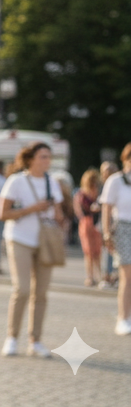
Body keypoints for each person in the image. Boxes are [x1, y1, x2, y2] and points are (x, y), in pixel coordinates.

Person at [0, 142, 65, 357]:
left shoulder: (52, 182)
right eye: (43, 156)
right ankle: (11, 337)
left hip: (45, 241)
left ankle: (35, 340)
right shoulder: (16, 181)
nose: (47, 160)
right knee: (22, 290)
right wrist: (32, 209)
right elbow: (3, 213)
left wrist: (58, 215)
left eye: (49, 157)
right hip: (19, 239)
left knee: (41, 293)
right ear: (30, 159)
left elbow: (59, 215)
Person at [100, 144, 131, 335]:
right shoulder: (116, 181)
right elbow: (106, 207)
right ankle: (123, 317)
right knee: (127, 274)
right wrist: (106, 233)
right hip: (123, 228)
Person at [76, 169, 106, 287]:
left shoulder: (99, 192)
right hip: (86, 223)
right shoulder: (81, 194)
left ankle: (99, 275)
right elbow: (80, 210)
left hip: (96, 223)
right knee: (88, 252)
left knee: (97, 251)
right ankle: (90, 276)